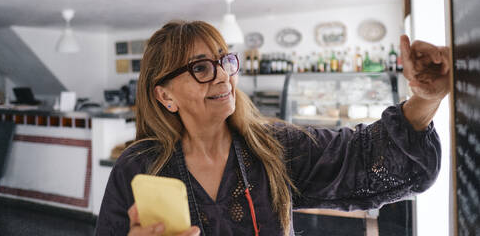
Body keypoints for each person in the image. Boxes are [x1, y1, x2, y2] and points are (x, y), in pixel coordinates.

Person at [95, 20, 449, 236]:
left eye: (223, 60)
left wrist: (424, 99)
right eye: (200, 68)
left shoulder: (272, 147)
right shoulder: (140, 167)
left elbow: (360, 154)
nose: (222, 75)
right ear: (165, 96)